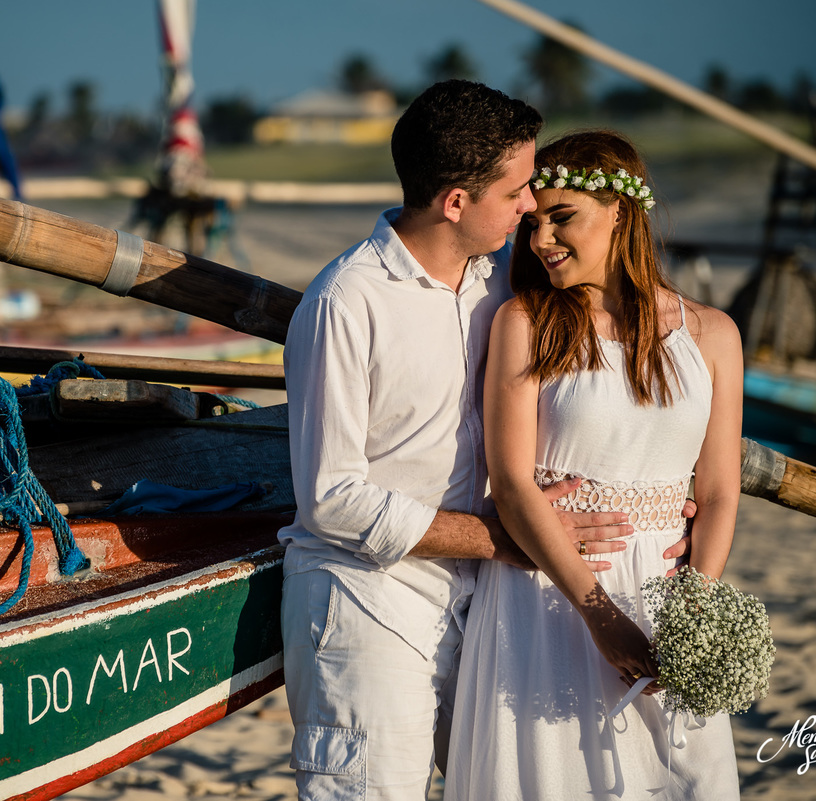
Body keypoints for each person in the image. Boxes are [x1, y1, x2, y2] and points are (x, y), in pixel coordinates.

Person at [278, 82, 693, 801]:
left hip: (488, 607)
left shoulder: (501, 280)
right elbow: (329, 497)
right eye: (516, 191)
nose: (532, 205)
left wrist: (660, 493)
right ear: (455, 202)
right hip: (372, 603)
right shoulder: (346, 303)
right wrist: (497, 538)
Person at [444, 130, 744, 800]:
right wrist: (599, 613)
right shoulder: (527, 322)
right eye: (532, 222)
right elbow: (515, 481)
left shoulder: (713, 334)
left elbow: (721, 490)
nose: (541, 239)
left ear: (620, 210)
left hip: (669, 595)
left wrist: (694, 607)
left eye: (561, 217)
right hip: (550, 593)